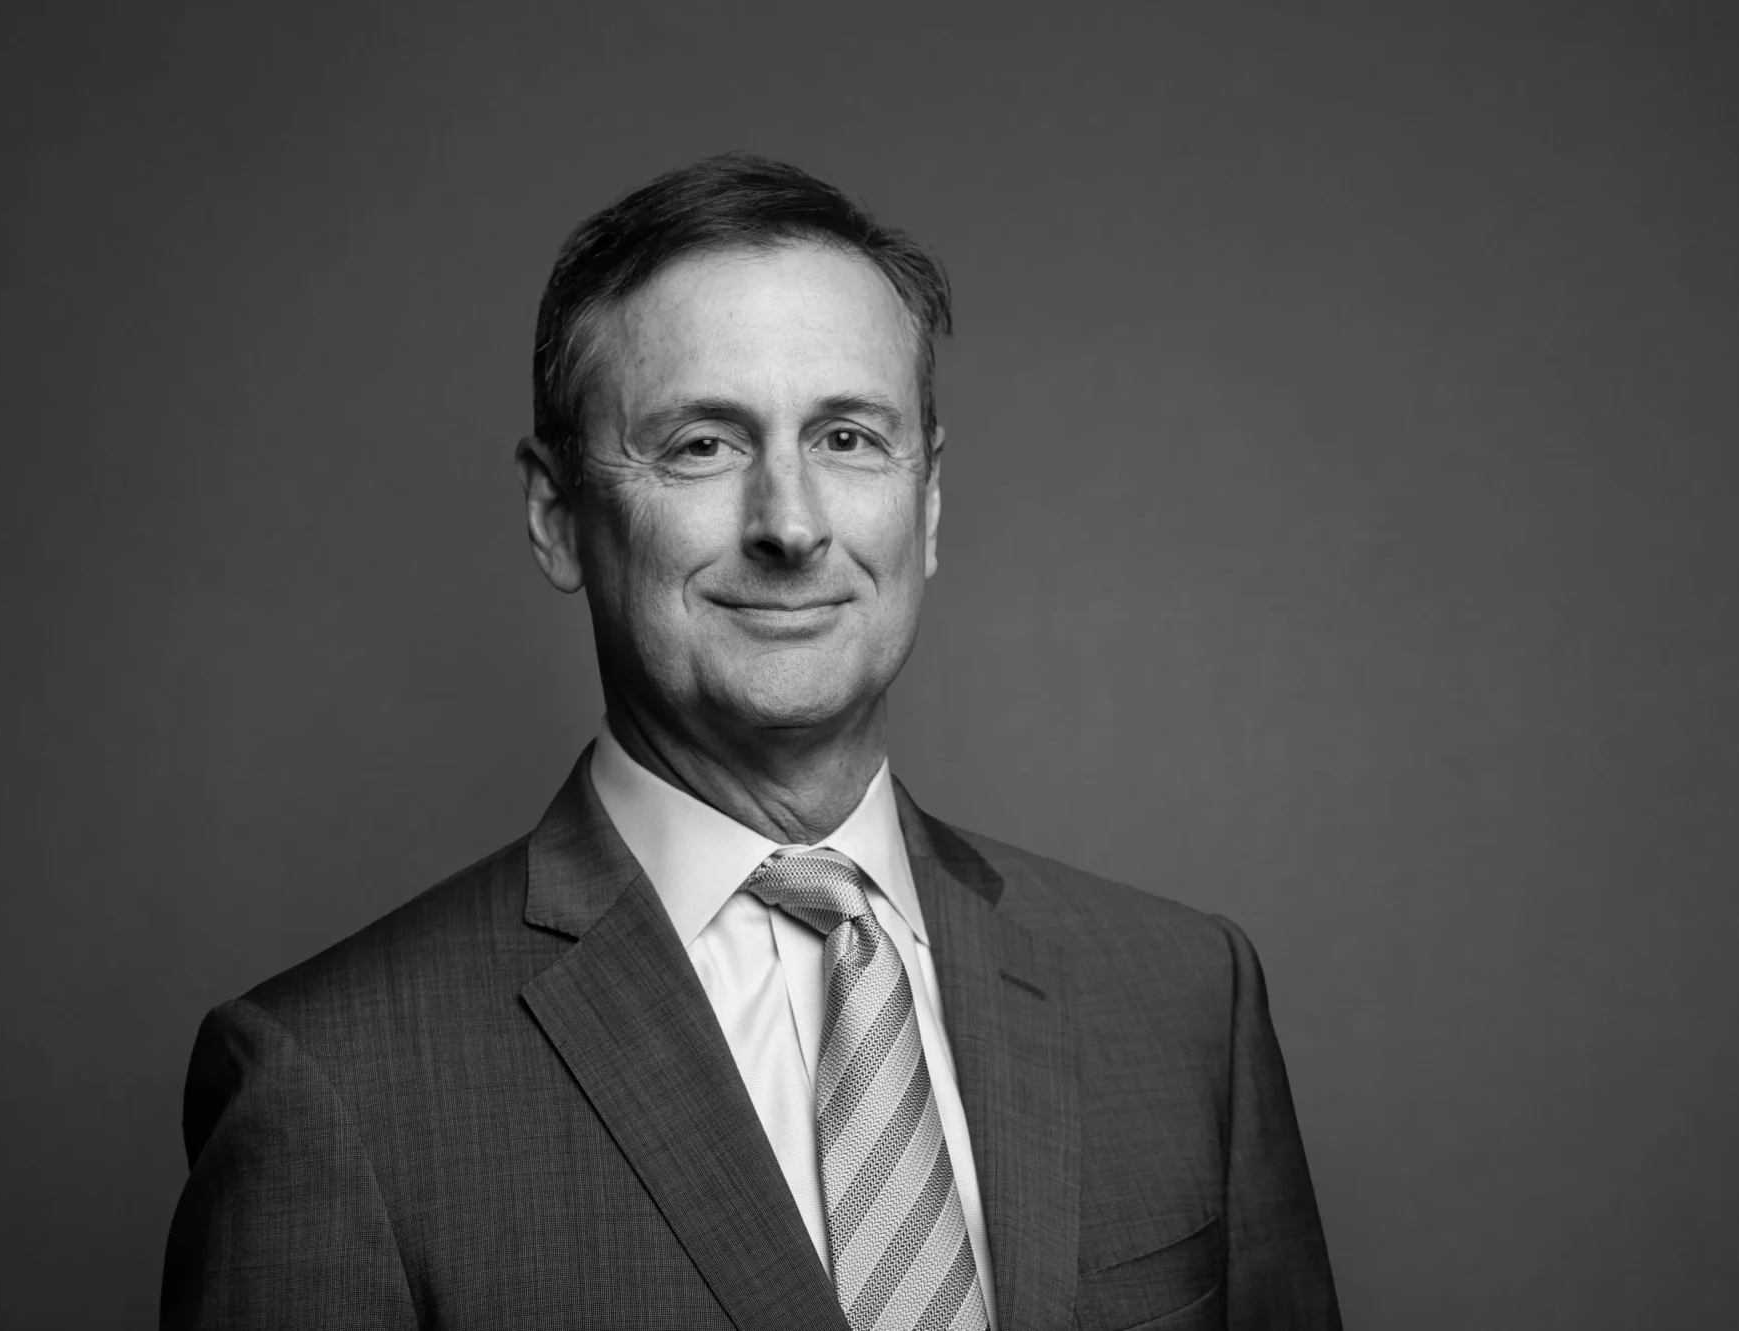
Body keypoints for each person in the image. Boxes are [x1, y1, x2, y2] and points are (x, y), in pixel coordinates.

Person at [159, 153, 1341, 1330]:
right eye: (702, 444)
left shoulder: (1183, 996)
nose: (790, 523)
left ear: (927, 503)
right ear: (557, 516)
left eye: (847, 438)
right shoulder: (333, 1087)